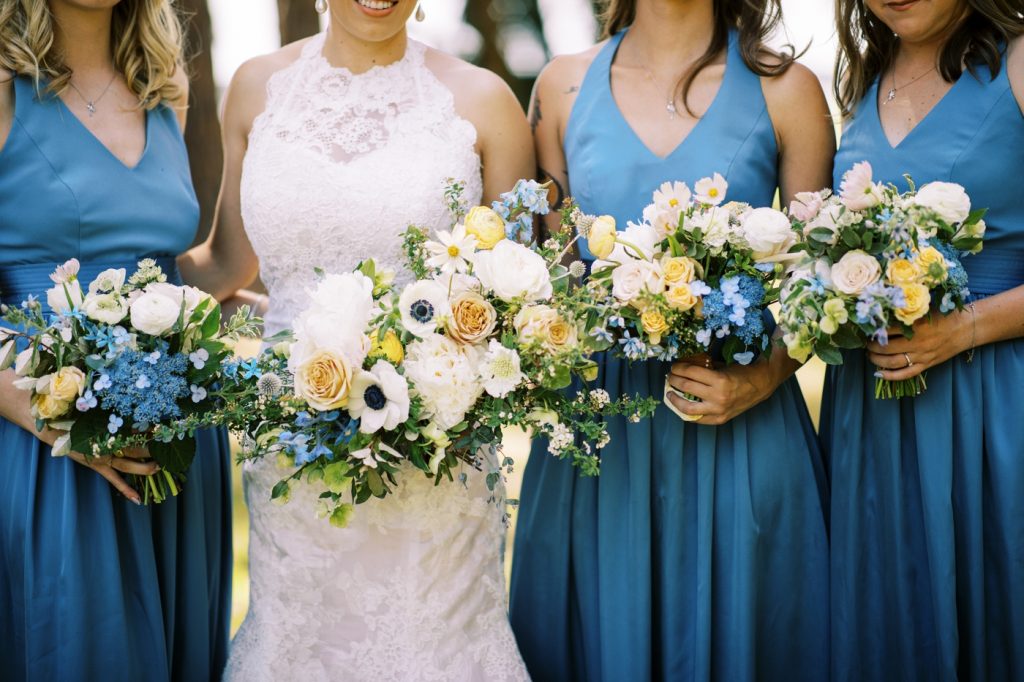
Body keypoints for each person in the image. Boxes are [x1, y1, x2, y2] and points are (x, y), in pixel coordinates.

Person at [177, 0, 534, 678]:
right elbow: (228, 260)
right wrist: (121, 300)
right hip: (294, 451)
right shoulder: (256, 88)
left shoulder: (483, 100)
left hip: (437, 457)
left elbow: (517, 297)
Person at [509, 1, 834, 679]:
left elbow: (819, 284)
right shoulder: (561, 86)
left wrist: (765, 376)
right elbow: (553, 274)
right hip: (598, 436)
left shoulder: (786, 88)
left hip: (737, 419)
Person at [0, 1, 232, 679]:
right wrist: (34, 406)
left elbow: (160, 260)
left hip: (174, 435)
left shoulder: (165, 85)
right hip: (40, 439)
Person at [823, 1, 1024, 679]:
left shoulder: (1020, 63)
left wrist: (963, 329)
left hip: (996, 405)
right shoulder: (862, 80)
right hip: (870, 419)